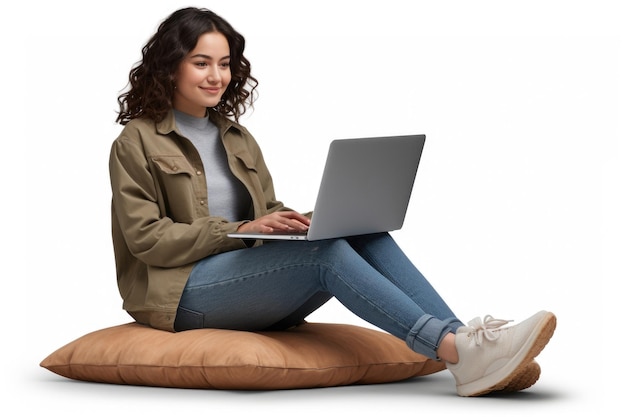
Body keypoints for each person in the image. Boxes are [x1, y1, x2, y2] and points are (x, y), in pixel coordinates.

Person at [109, 7, 556, 397]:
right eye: (201, 62)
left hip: (241, 280)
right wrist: (242, 231)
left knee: (357, 232)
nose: (216, 77)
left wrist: (304, 220)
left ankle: (464, 340)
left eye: (224, 64)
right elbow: (147, 240)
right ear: (170, 67)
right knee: (324, 254)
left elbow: (266, 211)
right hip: (178, 296)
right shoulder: (137, 141)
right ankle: (452, 350)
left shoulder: (238, 138)